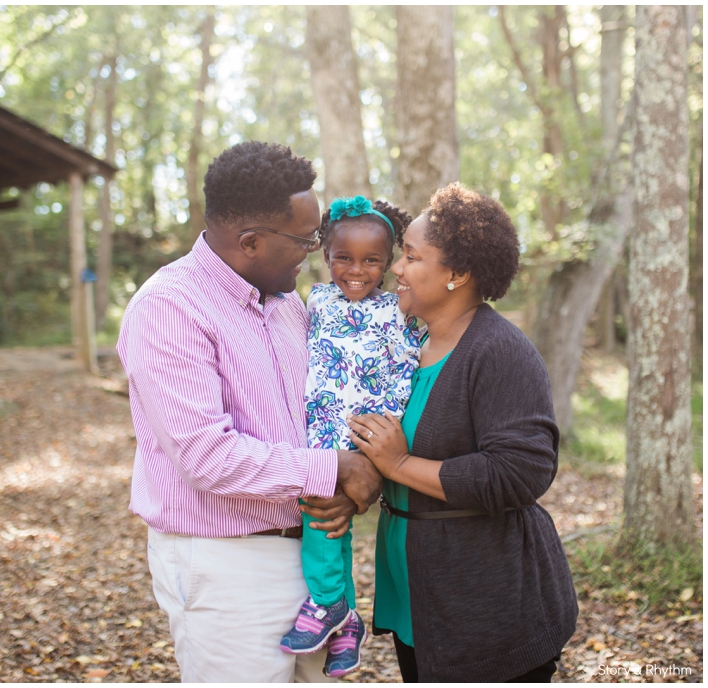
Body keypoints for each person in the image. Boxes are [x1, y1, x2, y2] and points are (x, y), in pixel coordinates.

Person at [116, 142, 382, 683]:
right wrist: (335, 468)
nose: (315, 250)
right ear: (251, 241)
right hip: (226, 565)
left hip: (311, 558)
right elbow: (207, 456)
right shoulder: (169, 308)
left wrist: (349, 482)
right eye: (305, 239)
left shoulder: (286, 302)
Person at [345, 183, 578, 682]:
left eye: (411, 257)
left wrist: (399, 465)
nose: (396, 269)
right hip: (419, 594)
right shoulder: (408, 345)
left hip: (487, 605)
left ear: (457, 274)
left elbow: (520, 473)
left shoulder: (499, 351)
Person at [279, 196, 420, 678]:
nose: (356, 270)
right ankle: (345, 619)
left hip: (365, 438)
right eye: (344, 258)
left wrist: (387, 430)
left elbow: (408, 367)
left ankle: (325, 602)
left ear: (389, 261)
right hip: (320, 431)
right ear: (325, 255)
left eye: (371, 260)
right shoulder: (316, 299)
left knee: (321, 517)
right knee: (331, 526)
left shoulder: (396, 310)